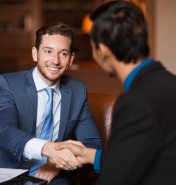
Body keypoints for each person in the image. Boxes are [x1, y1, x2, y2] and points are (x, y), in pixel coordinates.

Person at [55, 1, 176, 185]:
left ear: (102, 49)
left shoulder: (136, 101)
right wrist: (91, 156)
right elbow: (142, 157)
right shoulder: (168, 82)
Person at [0, 23, 102, 185]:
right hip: (7, 171)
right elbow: (4, 132)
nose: (55, 61)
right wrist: (48, 148)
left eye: (63, 53)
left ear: (71, 59)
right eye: (48, 51)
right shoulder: (7, 83)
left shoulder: (78, 89)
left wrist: (56, 163)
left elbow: (92, 142)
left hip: (54, 174)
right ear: (35, 54)